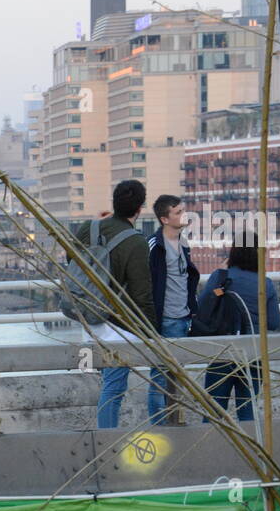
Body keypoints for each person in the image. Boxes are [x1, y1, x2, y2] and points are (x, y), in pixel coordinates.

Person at [72, 180, 157, 429]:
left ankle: (104, 433)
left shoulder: (90, 227)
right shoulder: (137, 242)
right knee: (114, 386)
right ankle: (106, 437)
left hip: (88, 315)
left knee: (103, 379)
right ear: (140, 208)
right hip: (117, 326)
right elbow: (142, 294)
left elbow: (71, 260)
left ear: (114, 202)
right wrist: (152, 330)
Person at [200, 229, 280, 423]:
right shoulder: (265, 283)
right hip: (252, 354)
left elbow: (202, 305)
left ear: (234, 251)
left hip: (222, 351)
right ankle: (249, 451)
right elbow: (273, 322)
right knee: (247, 411)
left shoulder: (220, 278)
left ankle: (209, 451)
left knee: (214, 411)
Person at [146, 194, 199, 425]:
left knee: (178, 376)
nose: (183, 215)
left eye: (183, 210)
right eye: (178, 212)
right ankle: (159, 425)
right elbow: (145, 284)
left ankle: (175, 421)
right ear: (164, 219)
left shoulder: (183, 243)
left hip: (184, 317)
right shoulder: (154, 246)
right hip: (164, 318)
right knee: (159, 376)